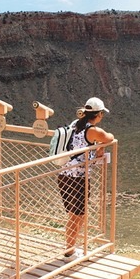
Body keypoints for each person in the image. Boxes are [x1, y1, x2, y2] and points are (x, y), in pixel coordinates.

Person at [57, 96, 115, 260]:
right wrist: (100, 144)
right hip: (79, 179)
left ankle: (70, 248)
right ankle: (69, 251)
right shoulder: (93, 131)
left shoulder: (75, 124)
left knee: (74, 215)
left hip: (63, 176)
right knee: (77, 216)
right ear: (99, 114)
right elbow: (109, 137)